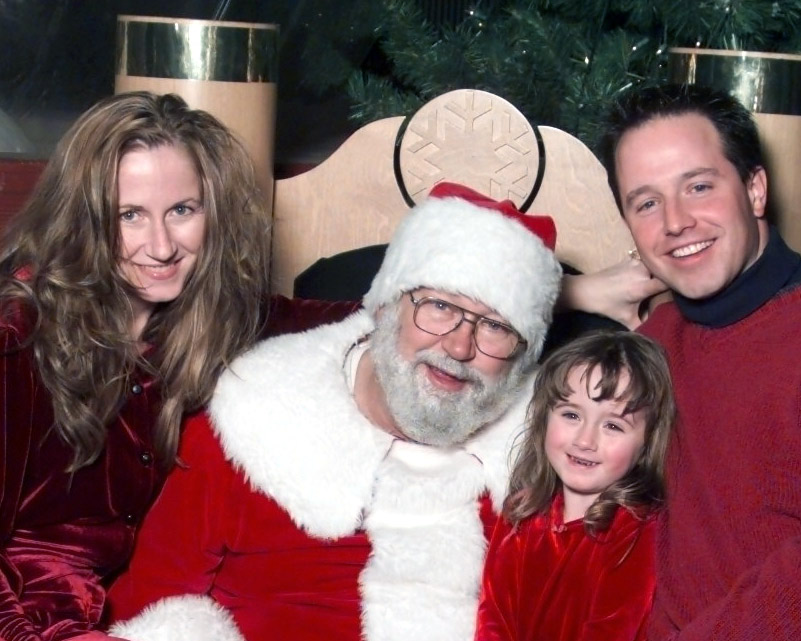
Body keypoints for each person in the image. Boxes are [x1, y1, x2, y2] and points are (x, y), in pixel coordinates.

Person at [105, 182, 563, 641]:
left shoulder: (551, 460)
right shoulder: (252, 417)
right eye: (439, 307)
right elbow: (149, 608)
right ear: (385, 308)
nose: (459, 347)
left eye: (496, 327)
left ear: (522, 358)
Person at [0, 92, 274, 641]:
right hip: (23, 617)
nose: (160, 246)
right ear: (84, 221)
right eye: (129, 216)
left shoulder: (201, 321)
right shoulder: (15, 330)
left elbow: (310, 321)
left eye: (182, 210)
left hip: (141, 611)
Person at [598, 83, 801, 640]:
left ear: (755, 190)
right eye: (646, 202)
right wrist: (573, 293)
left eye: (698, 186)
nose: (676, 221)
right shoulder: (657, 342)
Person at [476, 330, 676, 641]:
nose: (585, 440)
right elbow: (493, 624)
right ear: (544, 419)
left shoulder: (636, 529)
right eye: (571, 415)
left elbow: (613, 629)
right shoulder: (521, 513)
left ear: (647, 444)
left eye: (613, 425)